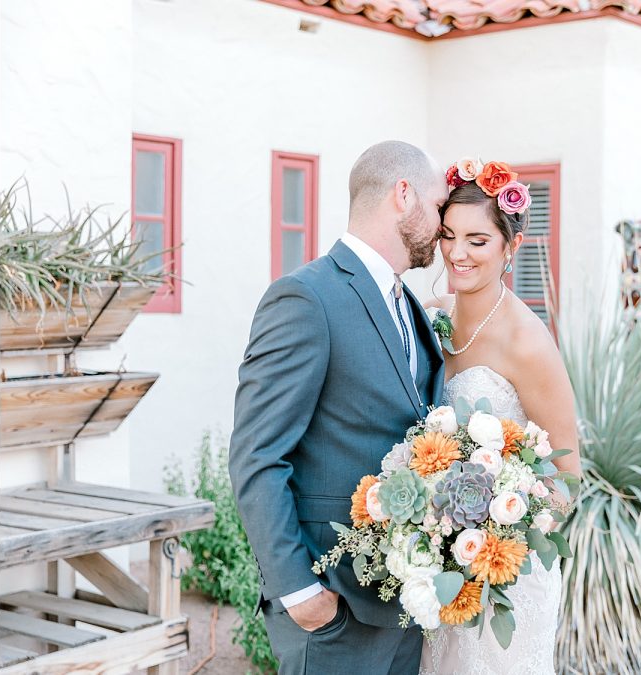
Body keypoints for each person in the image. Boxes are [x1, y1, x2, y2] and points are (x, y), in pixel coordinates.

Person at [229, 140, 449, 674]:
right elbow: (256, 455)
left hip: (400, 606)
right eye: (438, 206)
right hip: (334, 608)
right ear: (404, 195)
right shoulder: (306, 298)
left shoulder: (409, 304)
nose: (443, 227)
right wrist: (299, 591)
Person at [419, 160, 581, 674]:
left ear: (509, 248)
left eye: (477, 240)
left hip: (505, 573)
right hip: (439, 559)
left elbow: (570, 475)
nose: (457, 254)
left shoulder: (527, 343)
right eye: (448, 236)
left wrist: (500, 538)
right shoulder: (432, 313)